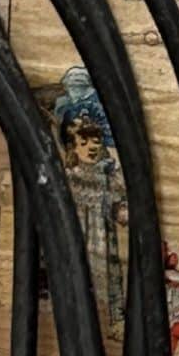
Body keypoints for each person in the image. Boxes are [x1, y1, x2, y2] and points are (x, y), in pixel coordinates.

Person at [51, 66, 126, 334]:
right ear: (73, 145)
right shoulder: (69, 174)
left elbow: (117, 202)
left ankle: (113, 320)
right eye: (85, 143)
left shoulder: (106, 172)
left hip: (102, 235)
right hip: (76, 232)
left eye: (96, 143)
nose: (92, 148)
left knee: (108, 277)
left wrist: (122, 211)